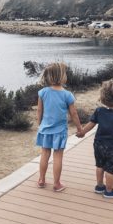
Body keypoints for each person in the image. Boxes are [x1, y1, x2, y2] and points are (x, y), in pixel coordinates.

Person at [77, 79, 113, 199]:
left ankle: (100, 186)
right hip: (112, 147)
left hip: (98, 144)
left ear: (102, 97)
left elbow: (91, 124)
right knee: (110, 169)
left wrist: (82, 132)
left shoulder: (99, 111)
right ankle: (109, 191)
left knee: (99, 165)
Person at [36, 62, 83, 192]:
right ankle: (56, 184)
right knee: (58, 156)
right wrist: (79, 128)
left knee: (44, 153)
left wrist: (39, 124)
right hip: (60, 131)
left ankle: (41, 180)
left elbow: (39, 111)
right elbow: (73, 113)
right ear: (62, 76)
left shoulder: (42, 92)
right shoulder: (67, 95)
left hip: (45, 129)